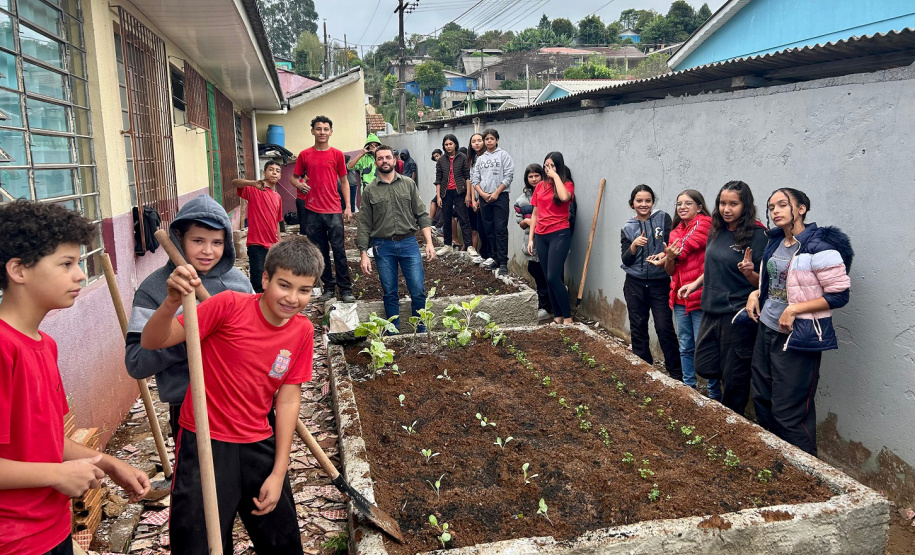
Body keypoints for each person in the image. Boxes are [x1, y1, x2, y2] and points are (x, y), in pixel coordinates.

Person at [141, 236, 322, 554]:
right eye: (284, 285)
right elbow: (154, 340)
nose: (292, 298)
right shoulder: (227, 306)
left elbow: (288, 398)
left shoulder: (302, 331)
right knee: (198, 543)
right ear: (264, 279)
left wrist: (279, 472)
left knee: (283, 542)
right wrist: (171, 301)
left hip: (258, 444)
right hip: (205, 444)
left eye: (304, 290)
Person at [0, 200, 150, 555]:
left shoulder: (44, 344)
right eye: (67, 264)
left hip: (51, 531)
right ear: (18, 270)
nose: (81, 274)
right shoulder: (4, 349)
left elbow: (45, 440)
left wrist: (109, 463)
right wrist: (56, 475)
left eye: (79, 262)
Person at [126, 195, 253, 440]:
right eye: (197, 240)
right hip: (189, 407)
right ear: (179, 238)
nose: (208, 251)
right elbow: (136, 363)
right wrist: (189, 336)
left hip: (244, 401)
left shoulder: (238, 283)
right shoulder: (154, 290)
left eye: (217, 242)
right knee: (197, 478)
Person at [746, 188, 852, 456]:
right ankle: (775, 460)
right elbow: (778, 284)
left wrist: (795, 309)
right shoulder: (775, 242)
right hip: (767, 329)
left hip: (797, 337)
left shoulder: (819, 246)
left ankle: (807, 474)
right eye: (771, 207)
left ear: (802, 208)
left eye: (783, 205)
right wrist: (755, 292)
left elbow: (839, 295)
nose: (775, 211)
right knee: (762, 397)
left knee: (789, 411)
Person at [680, 180, 768, 413]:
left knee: (734, 377)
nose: (726, 209)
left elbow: (764, 284)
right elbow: (711, 265)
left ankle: (732, 419)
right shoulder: (717, 230)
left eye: (733, 204)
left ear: (745, 205)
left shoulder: (758, 236)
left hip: (737, 314)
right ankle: (723, 409)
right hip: (710, 307)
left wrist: (750, 273)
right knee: (705, 364)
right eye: (722, 203)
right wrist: (695, 283)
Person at [357, 145, 436, 330]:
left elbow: (422, 215)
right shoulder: (369, 190)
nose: (384, 161)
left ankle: (421, 329)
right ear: (376, 162)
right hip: (382, 246)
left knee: (417, 290)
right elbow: (364, 224)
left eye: (387, 157)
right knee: (390, 291)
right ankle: (393, 331)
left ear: (394, 160)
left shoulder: (408, 184)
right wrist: (363, 253)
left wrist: (429, 243)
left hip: (409, 243)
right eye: (380, 158)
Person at [652, 190, 717, 394]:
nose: (682, 207)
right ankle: (689, 386)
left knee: (705, 347)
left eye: (688, 203)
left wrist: (665, 256)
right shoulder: (676, 230)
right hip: (680, 298)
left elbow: (683, 248)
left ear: (699, 206)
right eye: (679, 203)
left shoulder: (704, 223)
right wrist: (667, 259)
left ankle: (714, 392)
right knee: (686, 345)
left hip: (699, 296)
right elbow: (671, 270)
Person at [620, 185, 683, 382]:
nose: (644, 204)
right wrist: (633, 245)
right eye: (639, 201)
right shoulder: (627, 228)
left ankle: (676, 374)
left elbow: (672, 244)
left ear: (652, 202)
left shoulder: (663, 219)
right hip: (634, 284)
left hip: (659, 283)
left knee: (664, 327)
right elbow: (625, 260)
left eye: (647, 200)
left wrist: (664, 255)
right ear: (632, 204)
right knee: (638, 326)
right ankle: (643, 369)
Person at [290, 115, 354, 303]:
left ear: (331, 132)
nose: (322, 132)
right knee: (320, 252)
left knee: (339, 251)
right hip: (312, 211)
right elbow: (294, 178)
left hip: (333, 210)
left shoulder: (337, 154)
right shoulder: (305, 155)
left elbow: (344, 181)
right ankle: (328, 287)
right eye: (319, 129)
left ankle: (345, 289)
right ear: (312, 131)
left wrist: (348, 206)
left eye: (326, 129)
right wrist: (299, 184)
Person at [527, 152, 575, 324]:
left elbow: (564, 198)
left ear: (559, 167)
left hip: (559, 233)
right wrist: (531, 239)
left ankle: (568, 318)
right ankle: (558, 317)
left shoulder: (567, 184)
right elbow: (534, 213)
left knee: (554, 276)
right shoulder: (540, 186)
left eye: (552, 165)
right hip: (541, 234)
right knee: (548, 277)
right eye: (546, 165)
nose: (548, 169)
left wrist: (555, 177)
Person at [470, 128, 514, 275]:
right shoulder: (480, 160)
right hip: (484, 198)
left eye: (491, 138)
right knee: (489, 229)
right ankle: (494, 257)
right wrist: (482, 194)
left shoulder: (504, 155)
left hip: (500, 197)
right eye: (486, 139)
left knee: (500, 229)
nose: (489, 141)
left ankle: (503, 262)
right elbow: (475, 179)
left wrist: (496, 192)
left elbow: (509, 176)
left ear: (497, 140)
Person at [235, 161, 283, 293]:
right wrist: (252, 183)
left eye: (277, 171)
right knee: (258, 281)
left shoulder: (277, 197)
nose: (274, 172)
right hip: (257, 244)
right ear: (264, 173)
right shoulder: (254, 190)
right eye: (271, 169)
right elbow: (235, 183)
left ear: (280, 176)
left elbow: (277, 221)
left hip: (272, 245)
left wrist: (278, 242)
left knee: (272, 279)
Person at [514, 164, 552, 321]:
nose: (534, 179)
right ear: (526, 179)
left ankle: (549, 306)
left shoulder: (549, 194)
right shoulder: (521, 201)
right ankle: (544, 305)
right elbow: (520, 222)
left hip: (548, 239)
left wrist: (535, 221)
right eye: (531, 176)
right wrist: (529, 221)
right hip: (531, 241)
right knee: (535, 270)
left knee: (548, 273)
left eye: (537, 175)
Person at [434, 134, 476, 257]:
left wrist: (468, 194)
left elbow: (467, 177)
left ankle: (469, 246)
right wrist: (438, 196)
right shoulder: (441, 160)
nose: (448, 147)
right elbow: (438, 179)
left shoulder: (463, 157)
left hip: (460, 192)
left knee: (464, 219)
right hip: (445, 193)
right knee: (446, 219)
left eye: (450, 144)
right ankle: (447, 245)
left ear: (455, 144)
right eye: (446, 144)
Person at [467, 133, 489, 264]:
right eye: (473, 141)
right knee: (480, 228)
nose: (477, 143)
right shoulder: (473, 160)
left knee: (489, 229)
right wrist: (473, 199)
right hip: (478, 198)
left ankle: (492, 255)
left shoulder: (489, 158)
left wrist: (481, 198)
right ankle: (484, 253)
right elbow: (472, 180)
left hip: (488, 197)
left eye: (479, 140)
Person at [429, 149, 444, 235]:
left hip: (446, 189)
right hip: (441, 189)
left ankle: (437, 225)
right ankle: (431, 223)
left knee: (442, 206)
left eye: (437, 156)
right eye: (435, 157)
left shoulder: (445, 163)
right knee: (434, 202)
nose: (436, 158)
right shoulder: (439, 165)